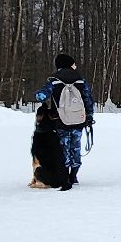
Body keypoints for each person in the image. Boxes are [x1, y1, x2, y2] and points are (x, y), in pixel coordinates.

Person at [36, 52, 95, 187]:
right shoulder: (80, 79)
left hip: (60, 120)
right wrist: (89, 116)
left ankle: (64, 175)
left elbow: (41, 96)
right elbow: (88, 99)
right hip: (78, 119)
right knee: (75, 147)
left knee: (63, 147)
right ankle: (73, 175)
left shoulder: (54, 79)